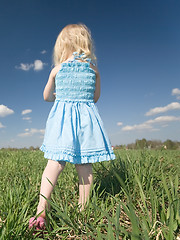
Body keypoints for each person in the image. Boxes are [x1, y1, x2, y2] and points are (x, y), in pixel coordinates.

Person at [29, 23, 116, 231]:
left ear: (62, 46)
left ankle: (42, 209)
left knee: (55, 164)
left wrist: (60, 95)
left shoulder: (57, 70)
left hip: (62, 123)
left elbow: (46, 97)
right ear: (86, 44)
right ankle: (83, 211)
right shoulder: (94, 71)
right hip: (86, 122)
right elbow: (95, 98)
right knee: (84, 166)